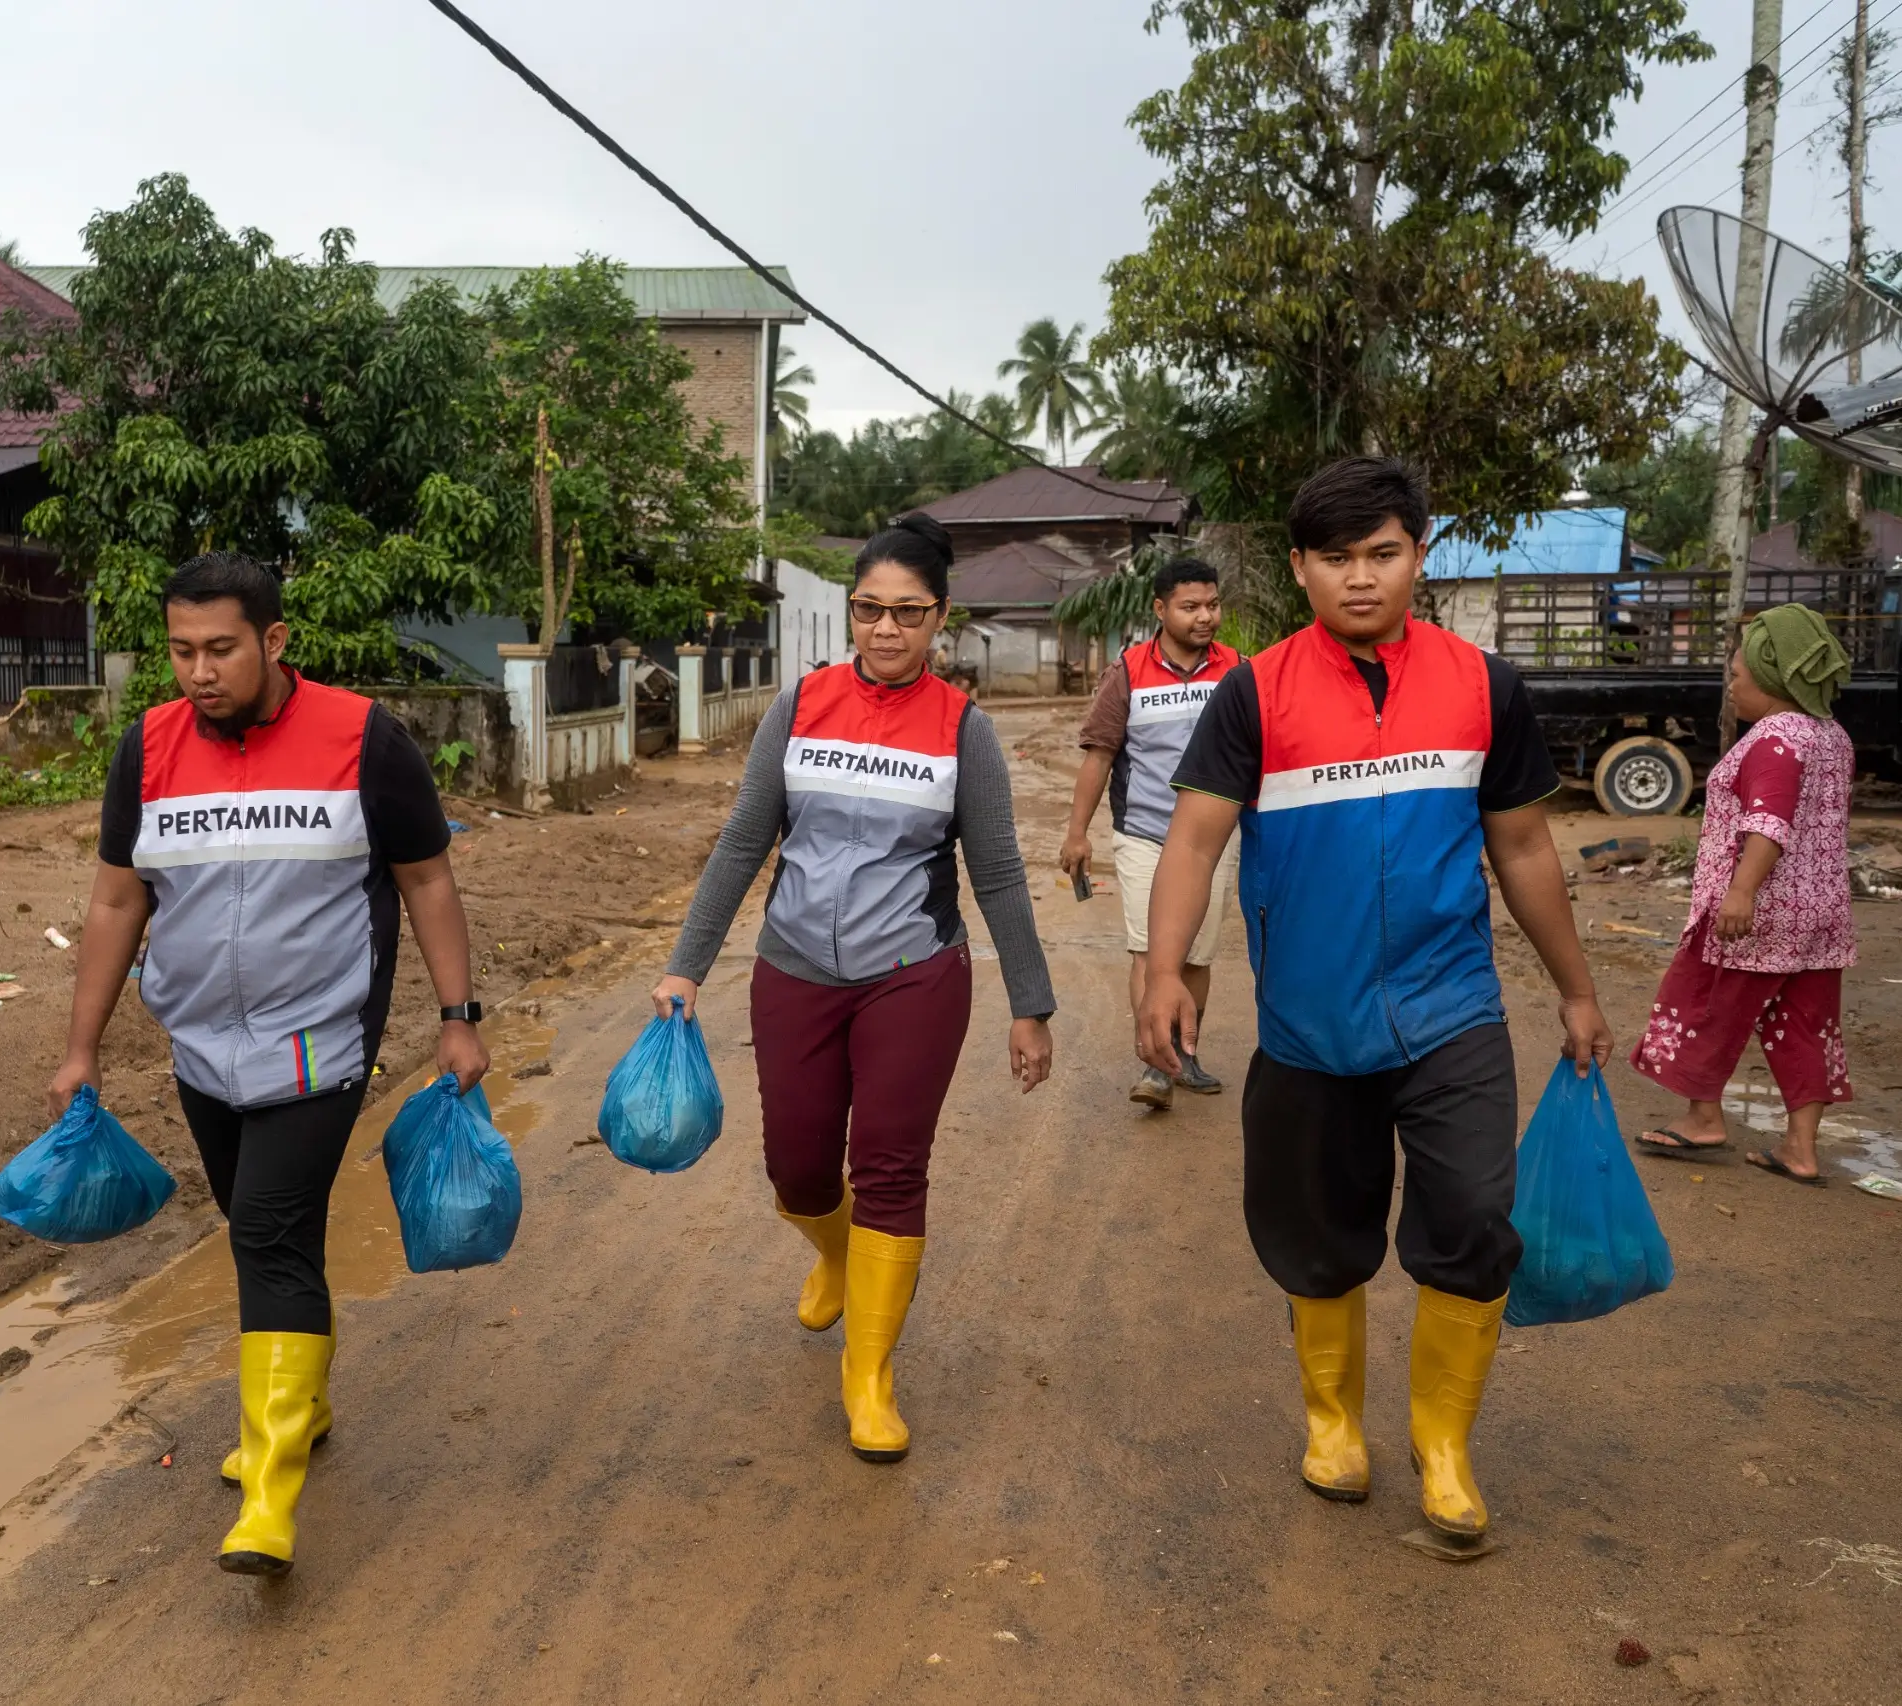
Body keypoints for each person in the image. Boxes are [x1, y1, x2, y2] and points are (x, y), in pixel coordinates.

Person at [1135, 457, 1612, 1552]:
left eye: (1382, 553)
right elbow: (1195, 836)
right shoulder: (1252, 693)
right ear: (1299, 568)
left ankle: (1442, 1448)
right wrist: (1163, 969)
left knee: (1475, 1218)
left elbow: (1524, 844)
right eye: (1337, 558)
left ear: (1419, 555)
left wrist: (1576, 990)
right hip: (1310, 1022)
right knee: (1316, 1232)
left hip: (1452, 1010)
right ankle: (1334, 1423)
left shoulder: (1482, 683)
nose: (1361, 578)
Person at [46, 552, 488, 1579]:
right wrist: (81, 1048)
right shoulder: (147, 748)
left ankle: (269, 1492)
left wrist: (458, 1016)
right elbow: (118, 901)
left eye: (220, 648)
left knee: (269, 1230)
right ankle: (303, 1402)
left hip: (318, 1039)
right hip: (200, 1043)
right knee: (259, 1228)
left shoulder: (361, 737)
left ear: (274, 641)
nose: (198, 671)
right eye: (180, 649)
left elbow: (426, 879)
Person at [657, 513, 1056, 1464]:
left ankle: (869, 1376)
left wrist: (1030, 1003)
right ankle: (834, 1252)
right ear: (851, 612)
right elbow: (745, 840)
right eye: (869, 610)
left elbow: (997, 873)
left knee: (887, 1165)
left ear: (940, 619)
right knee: (797, 1167)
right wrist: (687, 964)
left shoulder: (966, 730)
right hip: (793, 968)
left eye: (908, 614)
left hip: (913, 974)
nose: (886, 630)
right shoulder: (798, 708)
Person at [1631, 606, 1856, 1185]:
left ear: (1772, 679)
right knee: (1806, 1022)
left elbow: (1769, 821)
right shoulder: (1831, 736)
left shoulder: (1775, 740)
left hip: (1758, 914)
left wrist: (1740, 893)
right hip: (1819, 917)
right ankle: (1801, 1150)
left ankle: (1703, 1119)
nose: (1731, 686)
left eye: (1737, 675)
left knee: (1704, 1005)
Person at [1058, 555, 1243, 1110]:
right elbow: (1099, 758)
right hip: (1144, 835)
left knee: (1197, 957)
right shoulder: (1129, 672)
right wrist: (1077, 833)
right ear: (1161, 610)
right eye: (1190, 607)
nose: (1204, 616)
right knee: (1148, 951)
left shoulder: (1237, 669)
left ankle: (1185, 1053)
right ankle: (1154, 1065)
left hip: (1216, 840)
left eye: (1211, 605)